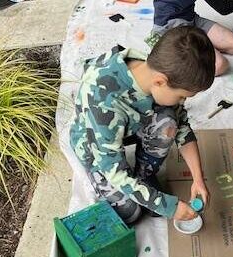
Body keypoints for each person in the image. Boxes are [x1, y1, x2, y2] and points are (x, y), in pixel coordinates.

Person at [70, 26, 213, 224]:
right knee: (131, 213)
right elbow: (114, 171)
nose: (182, 102)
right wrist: (167, 206)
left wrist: (198, 179)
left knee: (168, 122)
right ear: (160, 82)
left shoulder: (158, 68)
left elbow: (182, 128)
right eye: (181, 96)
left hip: (129, 125)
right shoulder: (102, 100)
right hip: (95, 146)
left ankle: (143, 175)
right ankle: (99, 175)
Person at [146, 0, 233, 76]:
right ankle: (175, 55)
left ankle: (197, 49)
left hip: (191, 18)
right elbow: (224, 7)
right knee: (219, 65)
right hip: (170, 26)